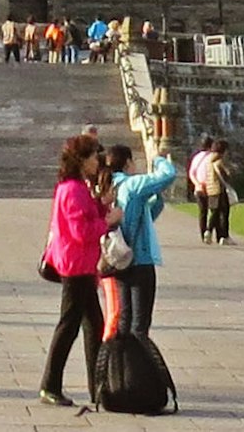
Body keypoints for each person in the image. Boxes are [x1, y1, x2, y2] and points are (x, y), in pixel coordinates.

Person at [38, 135, 115, 408]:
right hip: (76, 264)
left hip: (81, 264)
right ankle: (50, 385)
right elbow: (81, 231)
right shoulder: (73, 190)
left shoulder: (78, 187)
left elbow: (88, 217)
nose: (99, 161)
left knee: (93, 325)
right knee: (69, 325)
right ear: (82, 160)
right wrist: (107, 221)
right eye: (94, 156)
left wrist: (102, 203)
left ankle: (99, 387)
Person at [106, 125, 181, 338]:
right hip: (140, 260)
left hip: (119, 258)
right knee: (139, 324)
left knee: (125, 319)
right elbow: (168, 174)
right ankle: (138, 367)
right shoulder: (132, 185)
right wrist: (156, 157)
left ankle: (121, 365)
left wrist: (156, 196)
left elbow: (147, 213)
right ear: (128, 163)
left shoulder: (111, 185)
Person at [186, 136, 231, 245]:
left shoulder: (197, 157)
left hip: (199, 187)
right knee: (217, 211)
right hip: (211, 187)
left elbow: (192, 172)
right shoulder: (212, 157)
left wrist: (197, 184)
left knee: (203, 213)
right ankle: (218, 234)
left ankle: (204, 235)